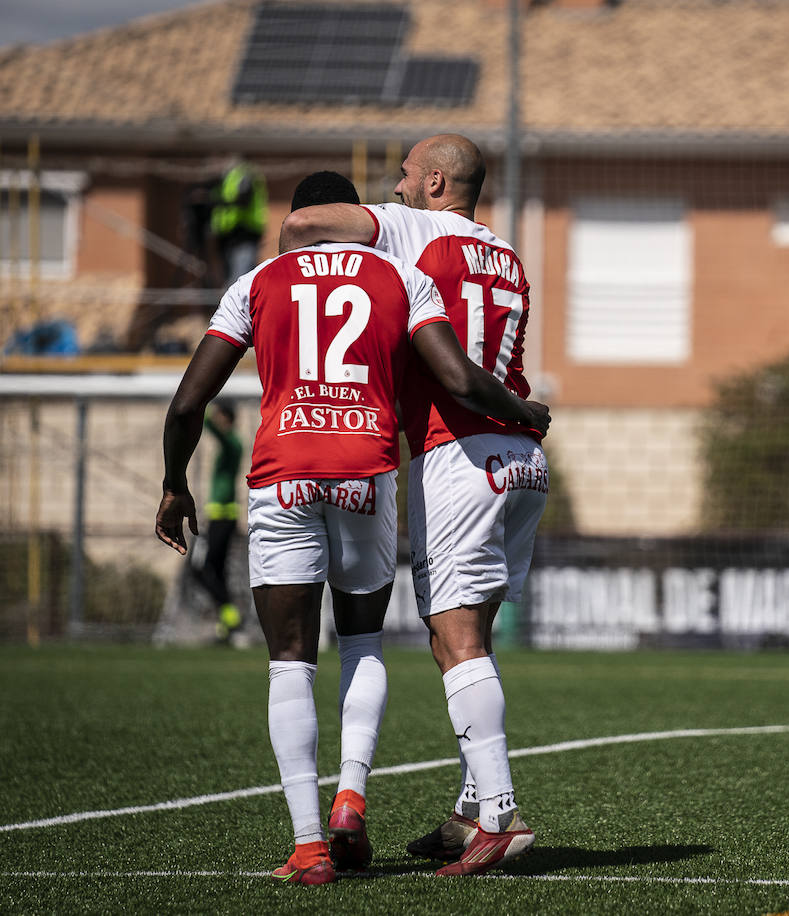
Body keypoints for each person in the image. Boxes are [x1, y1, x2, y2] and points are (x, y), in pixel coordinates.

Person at [156, 171, 549, 886]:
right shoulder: (401, 276)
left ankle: (309, 848)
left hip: (283, 471)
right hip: (369, 466)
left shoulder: (258, 280)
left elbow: (188, 403)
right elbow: (457, 375)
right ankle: (352, 799)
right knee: (364, 639)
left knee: (290, 662)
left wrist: (173, 484)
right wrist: (523, 411)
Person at [281, 133, 547, 876]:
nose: (391, 189)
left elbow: (305, 227)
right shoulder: (509, 254)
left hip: (459, 449)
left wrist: (288, 296)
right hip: (521, 456)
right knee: (470, 641)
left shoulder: (415, 228)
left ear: (435, 183)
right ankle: (469, 812)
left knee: (455, 638)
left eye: (402, 177)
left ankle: (499, 817)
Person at [192, 399, 245, 642]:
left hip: (223, 516)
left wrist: (196, 405)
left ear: (226, 418)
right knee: (217, 571)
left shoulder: (233, 442)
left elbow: (213, 431)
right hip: (220, 516)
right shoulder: (232, 444)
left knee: (202, 569)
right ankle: (226, 622)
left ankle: (230, 613)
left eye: (218, 415)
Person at [212, 157, 268, 287]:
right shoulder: (226, 177)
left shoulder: (244, 173)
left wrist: (219, 202)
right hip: (227, 235)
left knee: (239, 281)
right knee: (231, 280)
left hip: (244, 233)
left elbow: (244, 198)